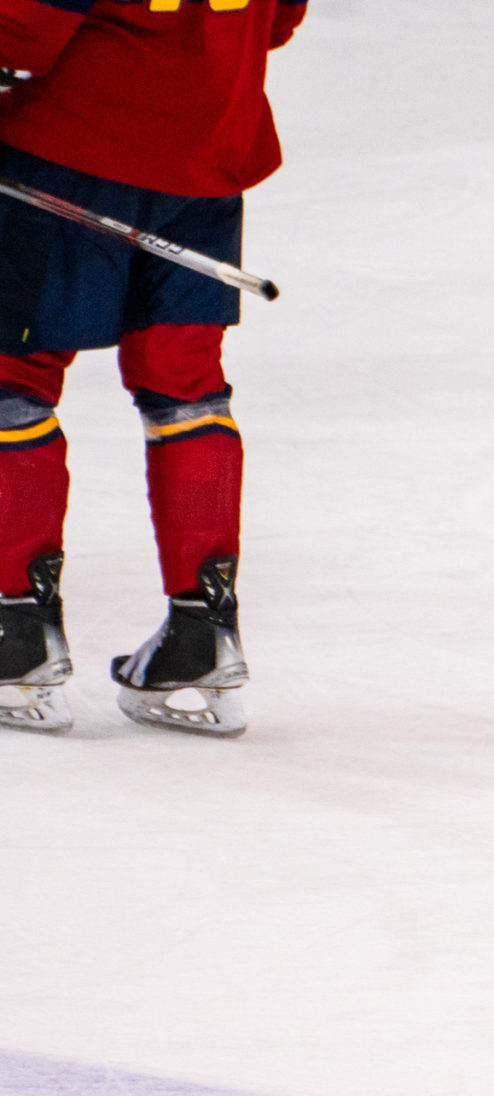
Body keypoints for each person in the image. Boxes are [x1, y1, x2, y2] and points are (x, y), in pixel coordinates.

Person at [0, 0, 307, 736]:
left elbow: (26, 27)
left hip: (75, 146)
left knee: (16, 376)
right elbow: (279, 19)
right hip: (208, 150)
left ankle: (16, 634)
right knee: (186, 385)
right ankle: (201, 634)